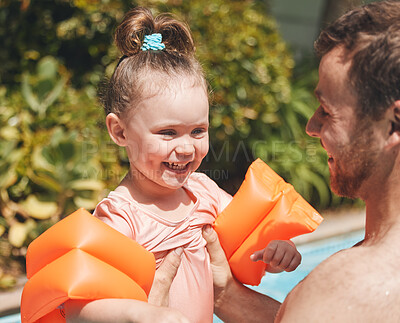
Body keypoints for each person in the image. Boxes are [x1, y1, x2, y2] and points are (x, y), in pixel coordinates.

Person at [64, 7, 301, 323]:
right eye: (168, 133)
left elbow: (252, 246)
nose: (187, 147)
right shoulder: (122, 217)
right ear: (119, 131)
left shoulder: (204, 192)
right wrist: (141, 315)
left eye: (198, 131)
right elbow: (80, 308)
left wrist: (275, 251)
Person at [191, 1, 400, 322]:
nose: (311, 127)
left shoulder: (344, 287)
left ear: (393, 124)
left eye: (327, 111)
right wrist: (225, 293)